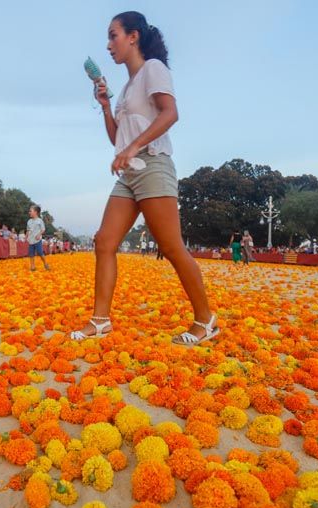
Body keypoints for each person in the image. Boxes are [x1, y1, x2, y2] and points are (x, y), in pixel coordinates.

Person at [70, 12, 218, 345]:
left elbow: (171, 113)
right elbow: (117, 140)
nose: (109, 45)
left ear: (133, 36)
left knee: (170, 246)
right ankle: (100, 320)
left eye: (113, 36)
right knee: (104, 241)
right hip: (128, 174)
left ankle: (206, 321)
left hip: (152, 166)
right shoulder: (124, 90)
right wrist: (106, 107)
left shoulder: (154, 69)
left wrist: (134, 146)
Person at [27, 205, 51, 272]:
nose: (29, 212)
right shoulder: (29, 221)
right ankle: (32, 266)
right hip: (31, 240)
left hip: (37, 240)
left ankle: (45, 263)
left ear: (36, 212)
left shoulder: (40, 221)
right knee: (31, 254)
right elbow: (28, 230)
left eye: (30, 211)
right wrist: (26, 237)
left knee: (40, 253)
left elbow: (43, 229)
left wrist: (39, 235)